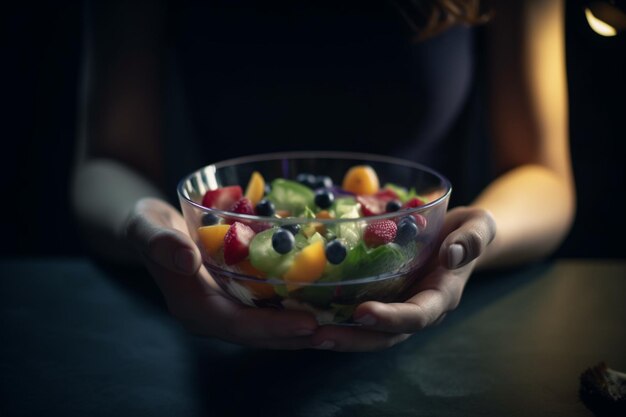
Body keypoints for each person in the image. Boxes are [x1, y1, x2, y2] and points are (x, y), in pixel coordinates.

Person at [72, 0, 574, 351]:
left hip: (427, 299)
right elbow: (107, 163)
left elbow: (544, 178)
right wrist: (147, 224)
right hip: (215, 310)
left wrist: (470, 240)